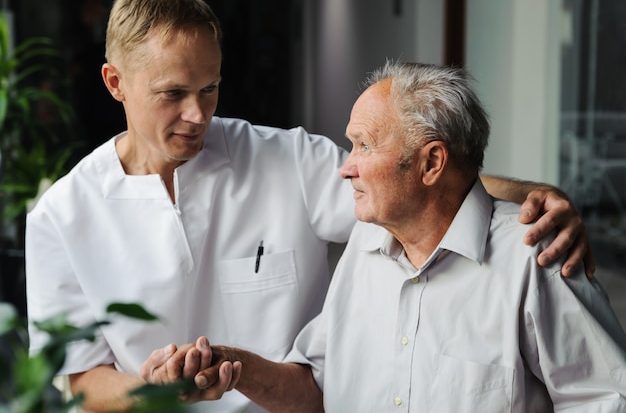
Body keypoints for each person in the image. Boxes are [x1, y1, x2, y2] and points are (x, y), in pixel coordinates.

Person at [25, 0, 592, 412]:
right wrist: (156, 391)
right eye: (172, 95)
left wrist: (537, 196)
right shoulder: (61, 216)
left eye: (210, 89)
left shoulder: (285, 159)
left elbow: (414, 183)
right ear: (114, 82)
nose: (197, 115)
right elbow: (78, 378)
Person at [165, 61, 626, 411]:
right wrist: (231, 364)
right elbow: (316, 389)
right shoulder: (363, 248)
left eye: (364, 145)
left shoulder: (532, 260)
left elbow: (607, 399)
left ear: (431, 163)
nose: (346, 167)